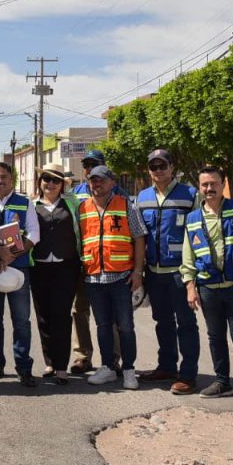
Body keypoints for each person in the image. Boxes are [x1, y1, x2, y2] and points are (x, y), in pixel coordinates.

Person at [182, 165, 233, 409]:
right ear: (199, 187)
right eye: (204, 184)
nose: (209, 189)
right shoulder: (193, 218)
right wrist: (190, 286)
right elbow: (188, 255)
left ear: (222, 184)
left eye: (213, 184)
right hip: (208, 287)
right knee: (215, 337)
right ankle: (221, 382)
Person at [135, 149, 200, 394]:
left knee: (186, 323)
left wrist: (193, 275)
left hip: (180, 272)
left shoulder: (190, 195)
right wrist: (138, 271)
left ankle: (188, 374)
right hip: (154, 272)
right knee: (162, 322)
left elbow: (198, 234)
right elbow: (138, 237)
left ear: (172, 167)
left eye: (163, 165)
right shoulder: (142, 197)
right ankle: (166, 366)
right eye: (154, 166)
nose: (158, 170)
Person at [79, 165, 145, 390]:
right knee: (103, 326)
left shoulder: (126, 205)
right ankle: (107, 367)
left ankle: (128, 370)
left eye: (101, 180)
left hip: (121, 278)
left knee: (125, 326)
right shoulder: (83, 208)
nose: (96, 184)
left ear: (112, 183)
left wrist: (137, 272)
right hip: (94, 279)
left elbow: (139, 238)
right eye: (93, 181)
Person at [0, 162, 40, 387]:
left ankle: (24, 367)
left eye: (4, 176)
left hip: (18, 269)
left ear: (11, 179)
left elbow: (34, 233)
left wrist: (11, 254)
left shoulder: (25, 204)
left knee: (21, 320)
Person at [69, 148, 127, 374]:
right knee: (79, 310)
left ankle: (113, 358)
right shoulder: (75, 193)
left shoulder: (118, 193)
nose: (89, 169)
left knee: (111, 315)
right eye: (86, 165)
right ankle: (82, 356)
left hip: (112, 266)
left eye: (94, 164)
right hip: (85, 263)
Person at [29, 163, 81, 385]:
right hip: (38, 266)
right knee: (43, 317)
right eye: (46, 179)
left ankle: (61, 366)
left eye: (55, 180)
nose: (50, 184)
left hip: (66, 266)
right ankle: (49, 362)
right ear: (40, 182)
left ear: (62, 185)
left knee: (61, 316)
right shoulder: (31, 206)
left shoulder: (73, 204)